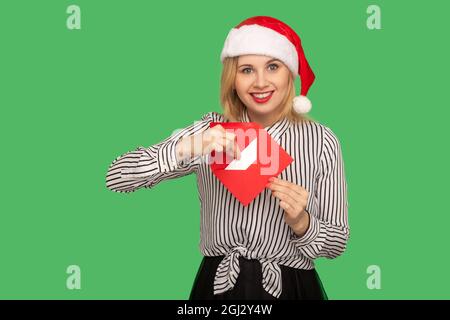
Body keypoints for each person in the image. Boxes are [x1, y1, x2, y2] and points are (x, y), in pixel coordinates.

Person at [105, 16, 349, 300]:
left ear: (290, 73)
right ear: (232, 78)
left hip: (290, 286)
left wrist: (302, 223)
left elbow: (337, 243)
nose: (260, 82)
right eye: (247, 70)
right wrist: (188, 146)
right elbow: (117, 177)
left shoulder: (321, 141)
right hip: (219, 285)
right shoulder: (210, 131)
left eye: (273, 66)